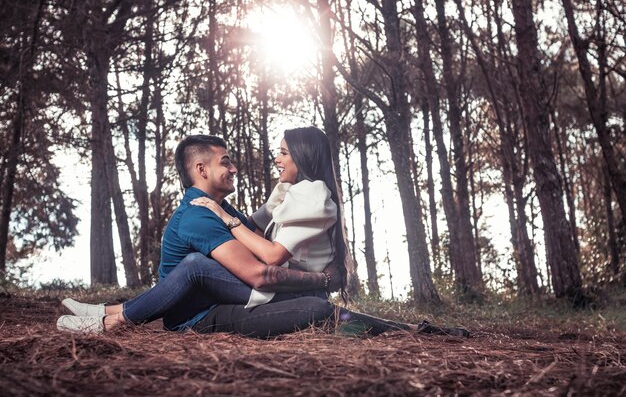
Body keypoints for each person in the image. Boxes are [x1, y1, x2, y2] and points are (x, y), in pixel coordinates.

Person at [58, 129, 469, 338]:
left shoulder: (222, 209)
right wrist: (321, 280)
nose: (235, 168)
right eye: (226, 162)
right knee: (314, 307)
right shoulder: (201, 215)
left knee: (315, 303)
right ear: (201, 170)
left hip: (228, 300)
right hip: (205, 318)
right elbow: (259, 273)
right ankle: (113, 320)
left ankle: (109, 313)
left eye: (284, 153)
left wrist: (274, 198)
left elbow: (254, 227)